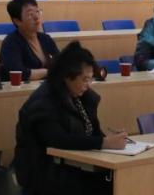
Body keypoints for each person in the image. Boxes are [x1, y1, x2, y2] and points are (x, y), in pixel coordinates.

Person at [14, 42, 127, 195]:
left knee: (120, 180)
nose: (88, 85)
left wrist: (110, 139)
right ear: (67, 76)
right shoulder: (43, 102)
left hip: (77, 168)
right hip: (46, 174)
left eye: (90, 79)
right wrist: (104, 143)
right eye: (85, 79)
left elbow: (92, 132)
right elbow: (58, 140)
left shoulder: (82, 97)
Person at [0, 0, 60, 82]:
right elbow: (19, 73)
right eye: (30, 14)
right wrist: (48, 72)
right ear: (17, 21)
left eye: (37, 12)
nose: (36, 17)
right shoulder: (11, 43)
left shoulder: (46, 39)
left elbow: (60, 64)